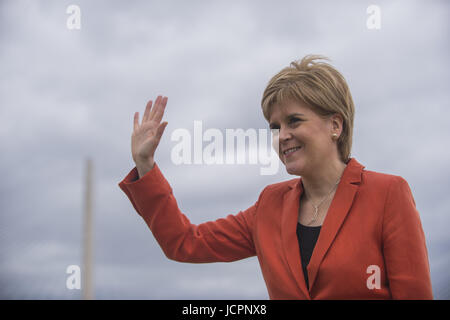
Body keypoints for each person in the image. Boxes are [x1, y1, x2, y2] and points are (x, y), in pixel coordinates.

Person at [118, 55, 433, 299]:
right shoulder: (269, 205)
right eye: (275, 126)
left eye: (294, 121)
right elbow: (184, 243)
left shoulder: (388, 194)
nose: (282, 136)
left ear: (335, 125)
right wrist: (145, 164)